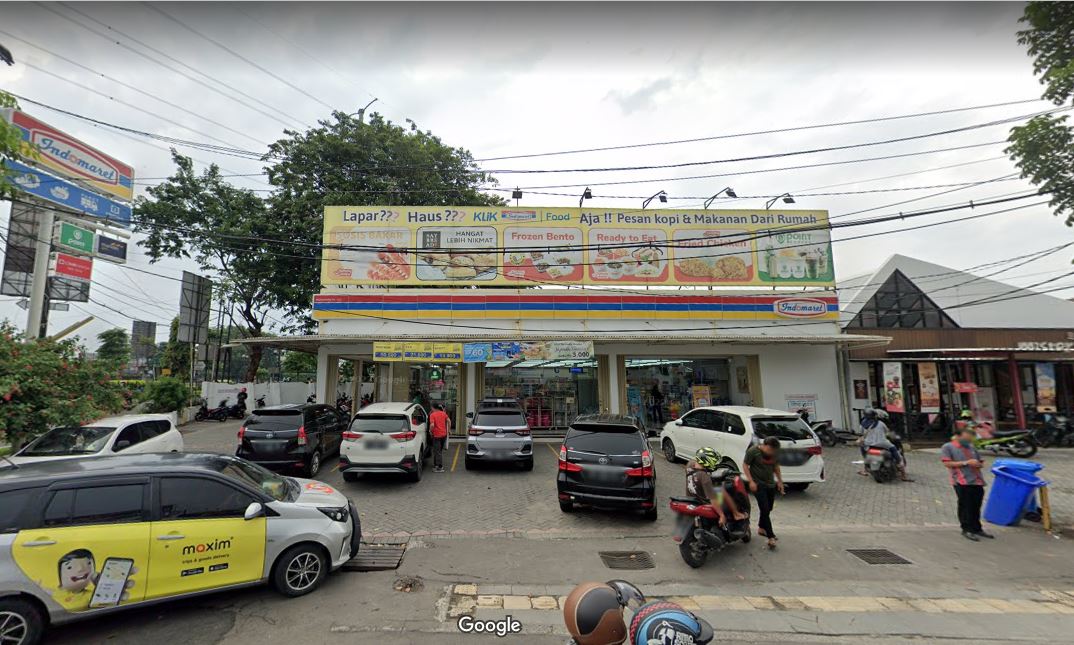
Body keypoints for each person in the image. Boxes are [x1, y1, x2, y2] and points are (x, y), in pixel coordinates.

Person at [941, 426, 993, 541]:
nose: (968, 441)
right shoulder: (948, 447)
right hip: (961, 481)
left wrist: (979, 464)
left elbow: (980, 461)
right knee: (966, 506)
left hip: (977, 480)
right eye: (966, 438)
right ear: (958, 436)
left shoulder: (971, 447)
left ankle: (977, 528)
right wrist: (966, 463)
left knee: (976, 505)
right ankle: (966, 529)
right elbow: (947, 463)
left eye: (970, 439)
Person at [742, 436, 783, 549]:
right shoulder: (753, 451)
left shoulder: (774, 454)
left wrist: (780, 481)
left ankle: (761, 527)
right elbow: (745, 465)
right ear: (764, 445)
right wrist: (751, 481)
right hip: (758, 484)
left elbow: (776, 467)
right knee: (764, 509)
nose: (771, 452)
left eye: (773, 450)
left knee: (768, 508)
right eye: (769, 449)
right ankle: (771, 536)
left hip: (770, 484)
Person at [685, 447, 746, 525]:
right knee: (720, 490)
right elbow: (712, 499)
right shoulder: (704, 477)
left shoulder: (689, 467)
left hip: (692, 499)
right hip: (703, 503)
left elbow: (695, 463)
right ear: (709, 462)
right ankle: (736, 514)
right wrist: (721, 515)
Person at [857, 408, 912, 481]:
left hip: (868, 444)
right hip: (882, 443)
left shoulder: (862, 424)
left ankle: (865, 468)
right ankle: (902, 473)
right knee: (894, 450)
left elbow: (860, 434)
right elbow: (887, 432)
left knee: (863, 449)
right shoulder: (880, 423)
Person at [428, 403, 451, 473]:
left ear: (433, 407)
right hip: (443, 435)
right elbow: (449, 421)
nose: (431, 409)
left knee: (437, 452)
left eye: (431, 408)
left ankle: (440, 467)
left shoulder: (432, 415)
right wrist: (448, 430)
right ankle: (436, 465)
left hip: (436, 435)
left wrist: (430, 431)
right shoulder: (443, 413)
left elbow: (432, 425)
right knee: (439, 451)